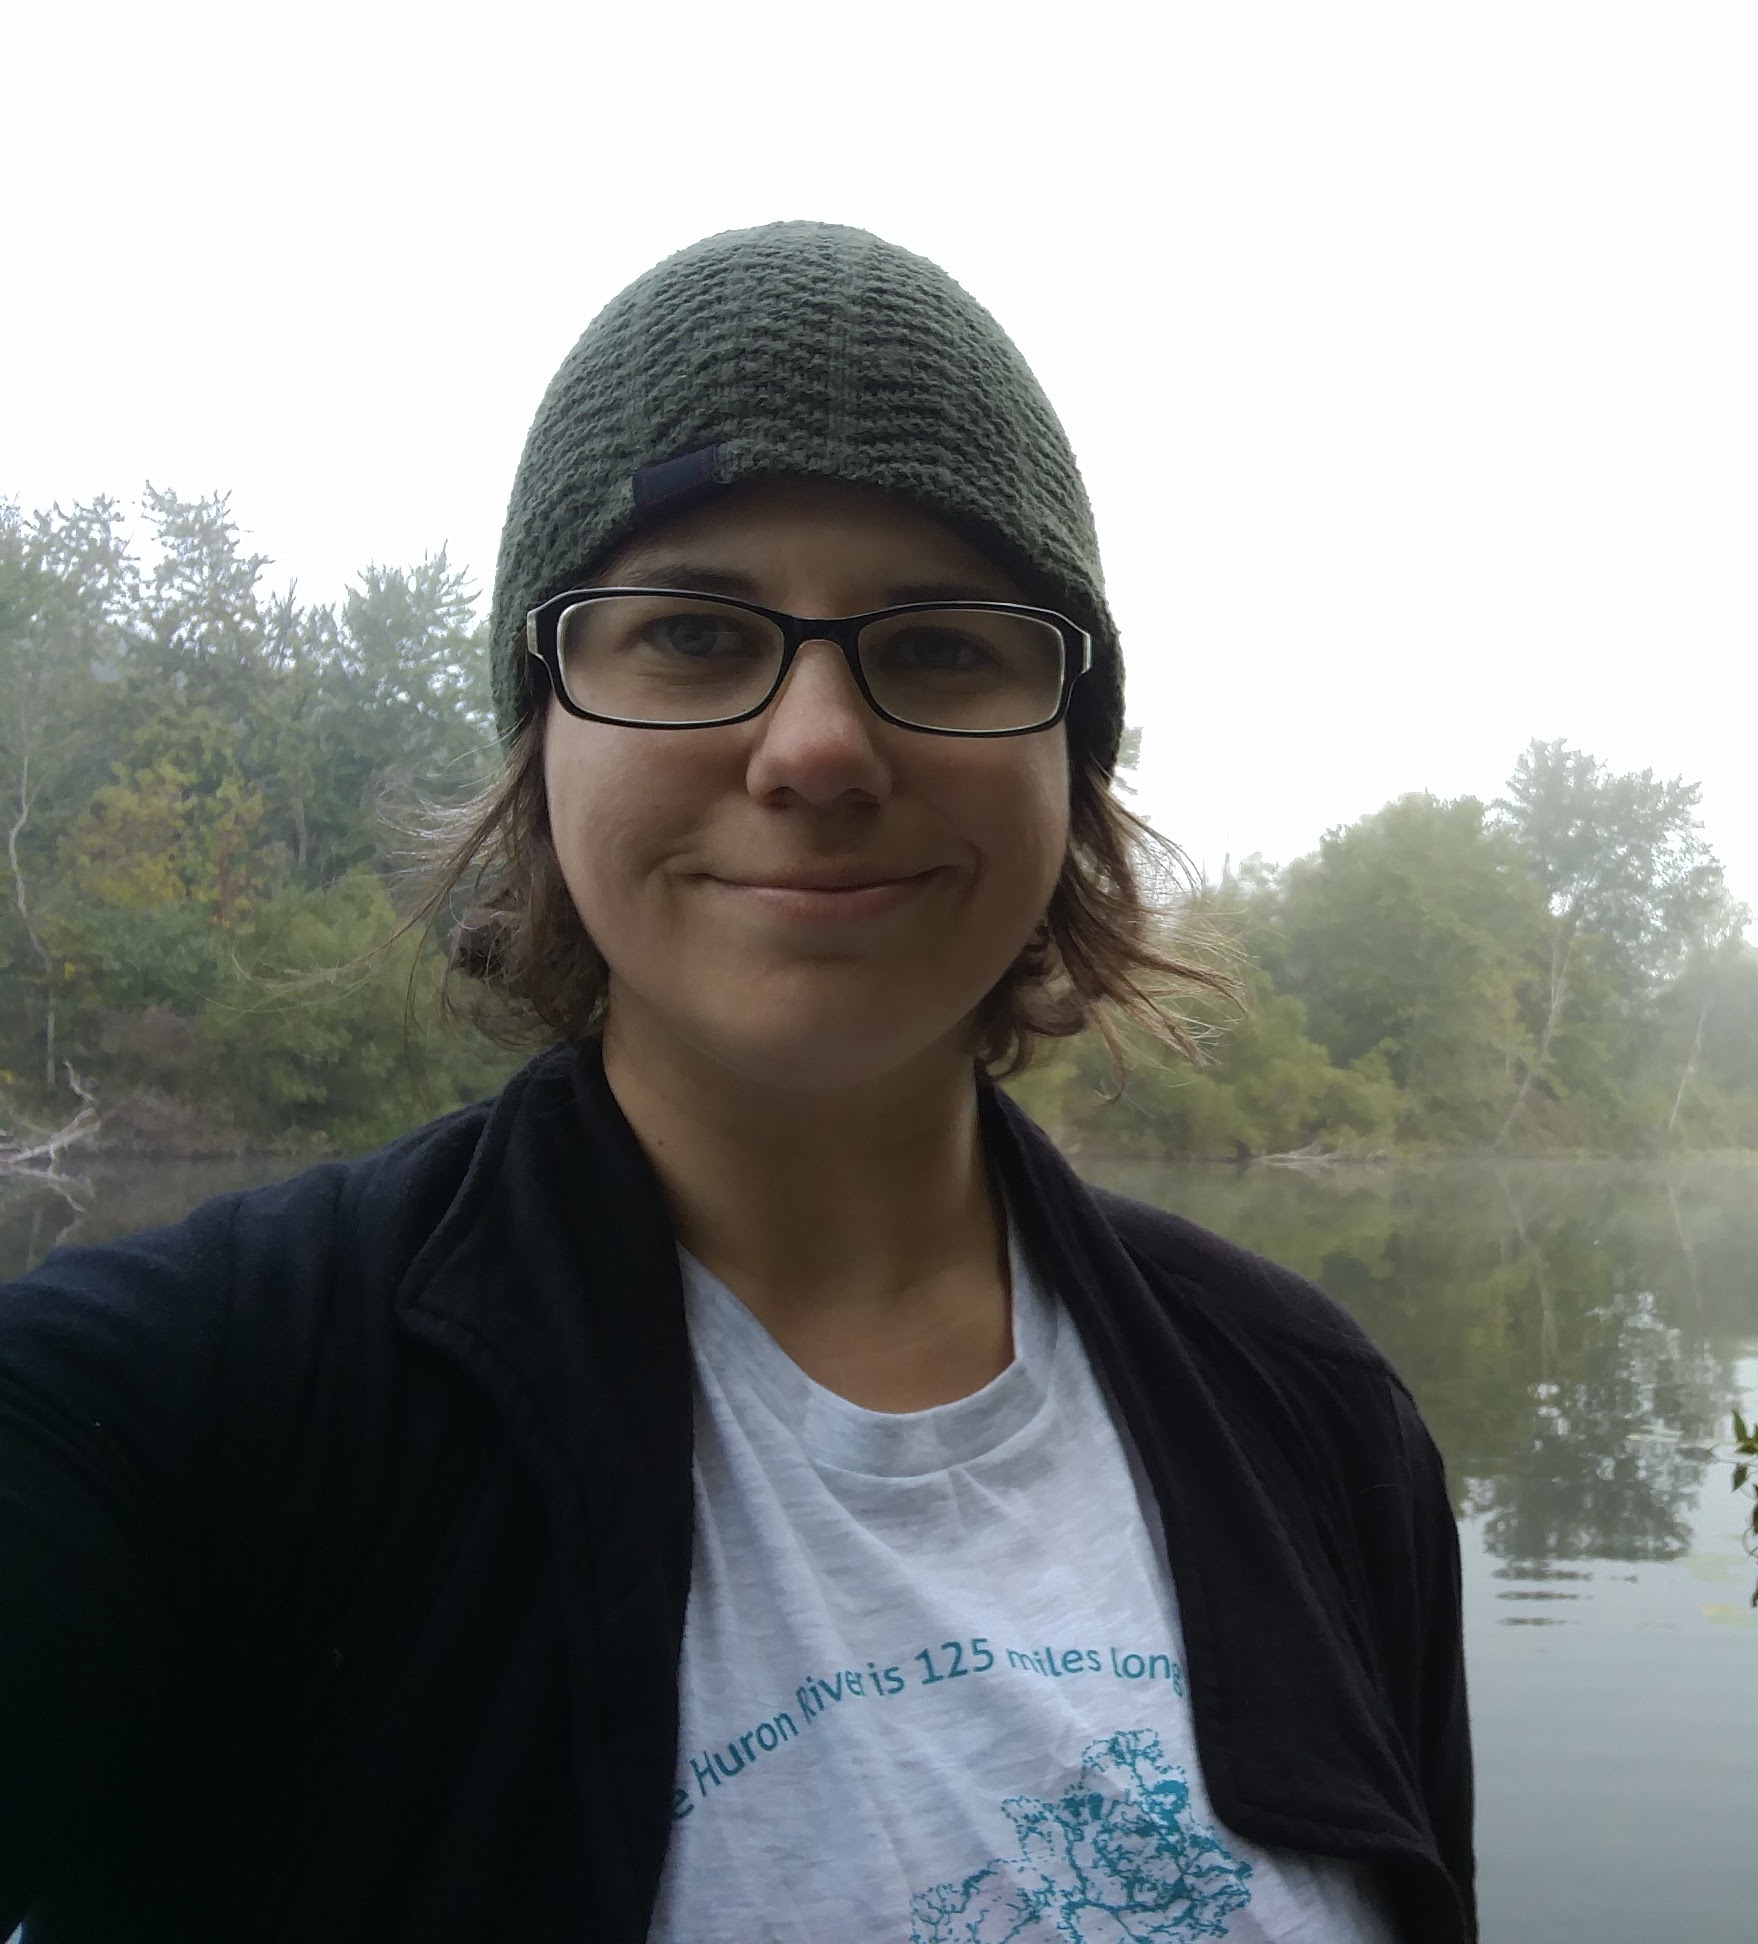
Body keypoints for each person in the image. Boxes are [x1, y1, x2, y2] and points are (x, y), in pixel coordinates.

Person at [0, 222, 1473, 1942]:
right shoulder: (190, 1415)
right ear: (544, 735)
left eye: (941, 645)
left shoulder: (1314, 1416)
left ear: (1071, 760)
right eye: (696, 634)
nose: (819, 747)